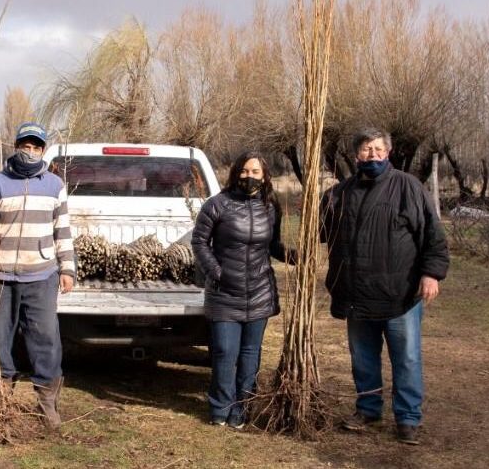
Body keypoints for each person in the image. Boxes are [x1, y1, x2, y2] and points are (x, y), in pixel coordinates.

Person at [320, 127, 449, 445]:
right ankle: (368, 409)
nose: (372, 154)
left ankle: (407, 418)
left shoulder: (408, 187)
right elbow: (323, 235)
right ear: (355, 154)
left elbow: (433, 235)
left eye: (378, 149)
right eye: (366, 149)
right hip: (356, 294)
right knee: (363, 358)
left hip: (399, 294)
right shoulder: (340, 193)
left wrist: (431, 273)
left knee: (406, 358)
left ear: (388, 153)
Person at [191, 150, 295, 429]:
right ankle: (220, 409)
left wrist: (293, 256)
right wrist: (217, 272)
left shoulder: (270, 207)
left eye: (255, 172)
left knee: (251, 353)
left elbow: (272, 245)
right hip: (225, 291)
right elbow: (199, 242)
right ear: (236, 173)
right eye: (244, 171)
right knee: (225, 351)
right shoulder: (218, 204)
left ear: (265, 176)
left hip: (260, 291)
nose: (249, 177)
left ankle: (242, 409)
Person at [0, 121, 75, 429]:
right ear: (16, 146)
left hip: (42, 276)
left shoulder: (54, 185)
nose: (31, 151)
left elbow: (62, 230)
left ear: (43, 151)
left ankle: (47, 403)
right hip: (1, 276)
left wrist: (68, 268)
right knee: (0, 339)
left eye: (37, 146)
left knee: (46, 339)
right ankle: (1, 401)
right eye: (26, 145)